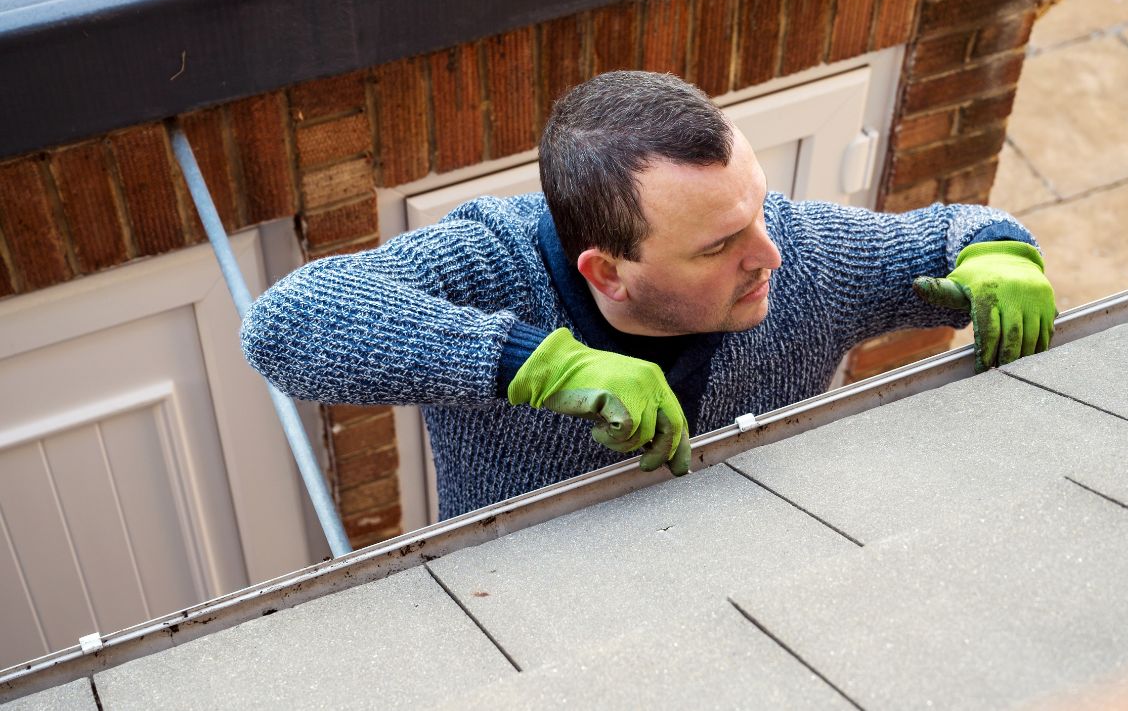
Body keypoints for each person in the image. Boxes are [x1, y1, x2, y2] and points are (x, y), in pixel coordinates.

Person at [242, 71, 1056, 519]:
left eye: (758, 209)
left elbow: (953, 235)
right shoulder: (491, 262)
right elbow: (286, 322)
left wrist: (1001, 253)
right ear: (605, 272)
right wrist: (539, 365)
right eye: (718, 246)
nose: (767, 253)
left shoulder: (802, 256)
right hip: (530, 618)